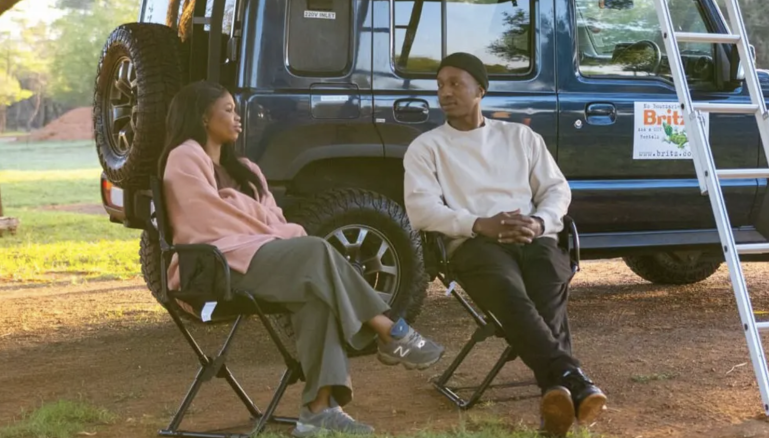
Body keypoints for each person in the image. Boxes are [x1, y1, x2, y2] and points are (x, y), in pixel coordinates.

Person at [159, 81, 445, 437]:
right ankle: (390, 330)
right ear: (203, 117)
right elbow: (206, 220)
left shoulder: (247, 169)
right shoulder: (184, 157)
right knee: (315, 249)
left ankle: (319, 411)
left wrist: (239, 202)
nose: (237, 117)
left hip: (258, 257)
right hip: (214, 268)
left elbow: (274, 221)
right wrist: (250, 212)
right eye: (228, 110)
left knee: (316, 297)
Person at [403, 52, 607, 437]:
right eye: (440, 85)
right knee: (511, 295)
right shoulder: (427, 147)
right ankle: (572, 380)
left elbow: (556, 190)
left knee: (547, 288)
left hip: (533, 237)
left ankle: (558, 388)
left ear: (480, 90)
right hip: (474, 243)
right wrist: (481, 224)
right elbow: (421, 210)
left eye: (455, 84)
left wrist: (538, 222)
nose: (445, 92)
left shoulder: (520, 136)